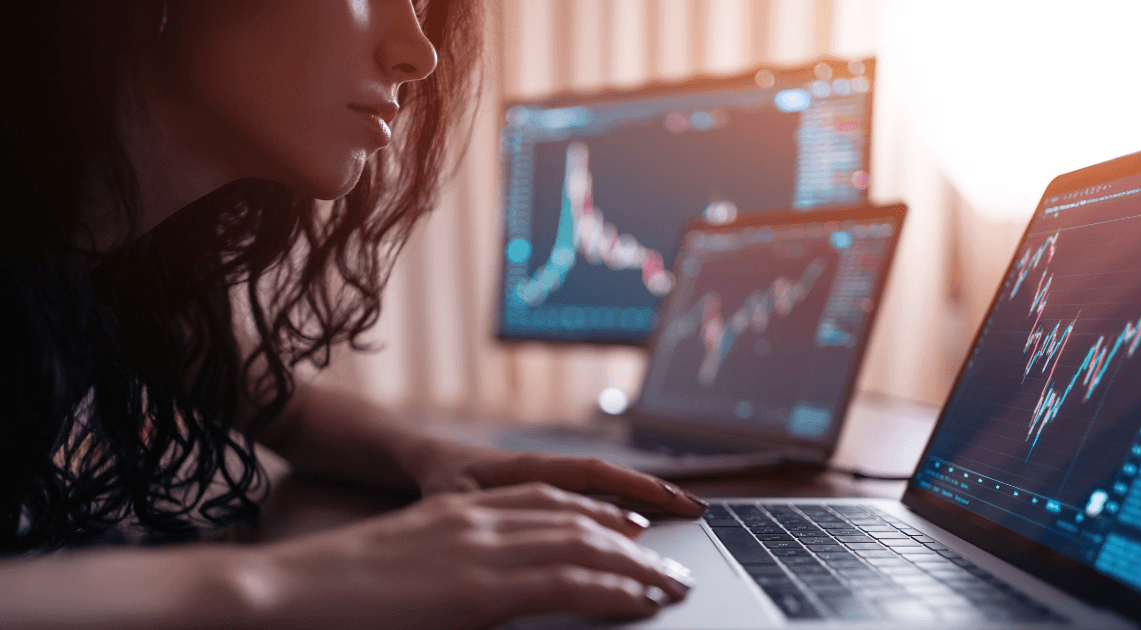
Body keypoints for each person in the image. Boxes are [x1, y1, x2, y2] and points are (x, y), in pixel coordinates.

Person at [0, 1, 707, 628]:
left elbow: (286, 410)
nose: (420, 52)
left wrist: (441, 457)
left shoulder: (117, 269)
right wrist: (278, 582)